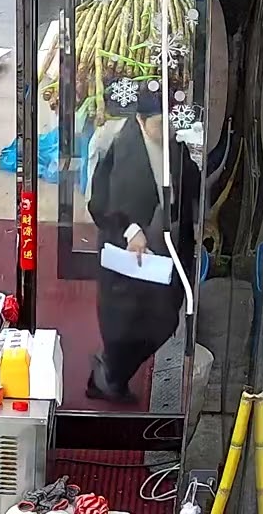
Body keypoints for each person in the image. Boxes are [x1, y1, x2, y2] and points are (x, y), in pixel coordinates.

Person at [86, 84, 199, 403]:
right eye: (159, 124)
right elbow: (102, 201)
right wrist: (131, 229)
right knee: (126, 324)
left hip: (163, 247)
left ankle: (110, 371)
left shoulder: (173, 144)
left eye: (170, 123)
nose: (167, 130)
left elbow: (188, 180)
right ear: (140, 120)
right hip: (128, 253)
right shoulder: (125, 147)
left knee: (165, 317)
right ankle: (108, 377)